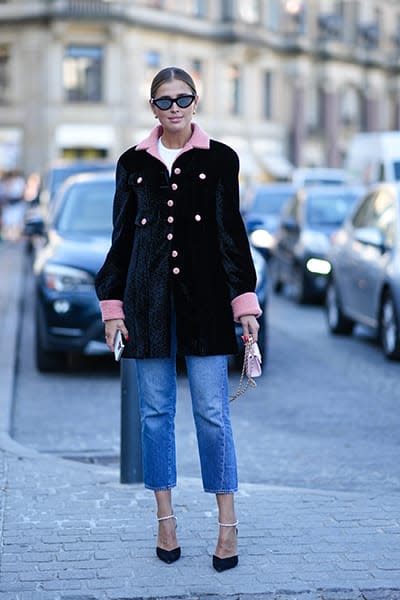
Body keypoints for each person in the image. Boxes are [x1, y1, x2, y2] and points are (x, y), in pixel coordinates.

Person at [95, 66, 261, 571]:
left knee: (213, 414)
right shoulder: (132, 164)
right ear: (152, 107)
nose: (174, 108)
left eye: (182, 98)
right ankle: (165, 519)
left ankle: (227, 525)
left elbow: (232, 234)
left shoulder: (221, 159)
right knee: (155, 414)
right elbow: (121, 239)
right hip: (146, 305)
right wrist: (112, 308)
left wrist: (245, 305)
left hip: (206, 303)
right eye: (164, 101)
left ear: (195, 102)